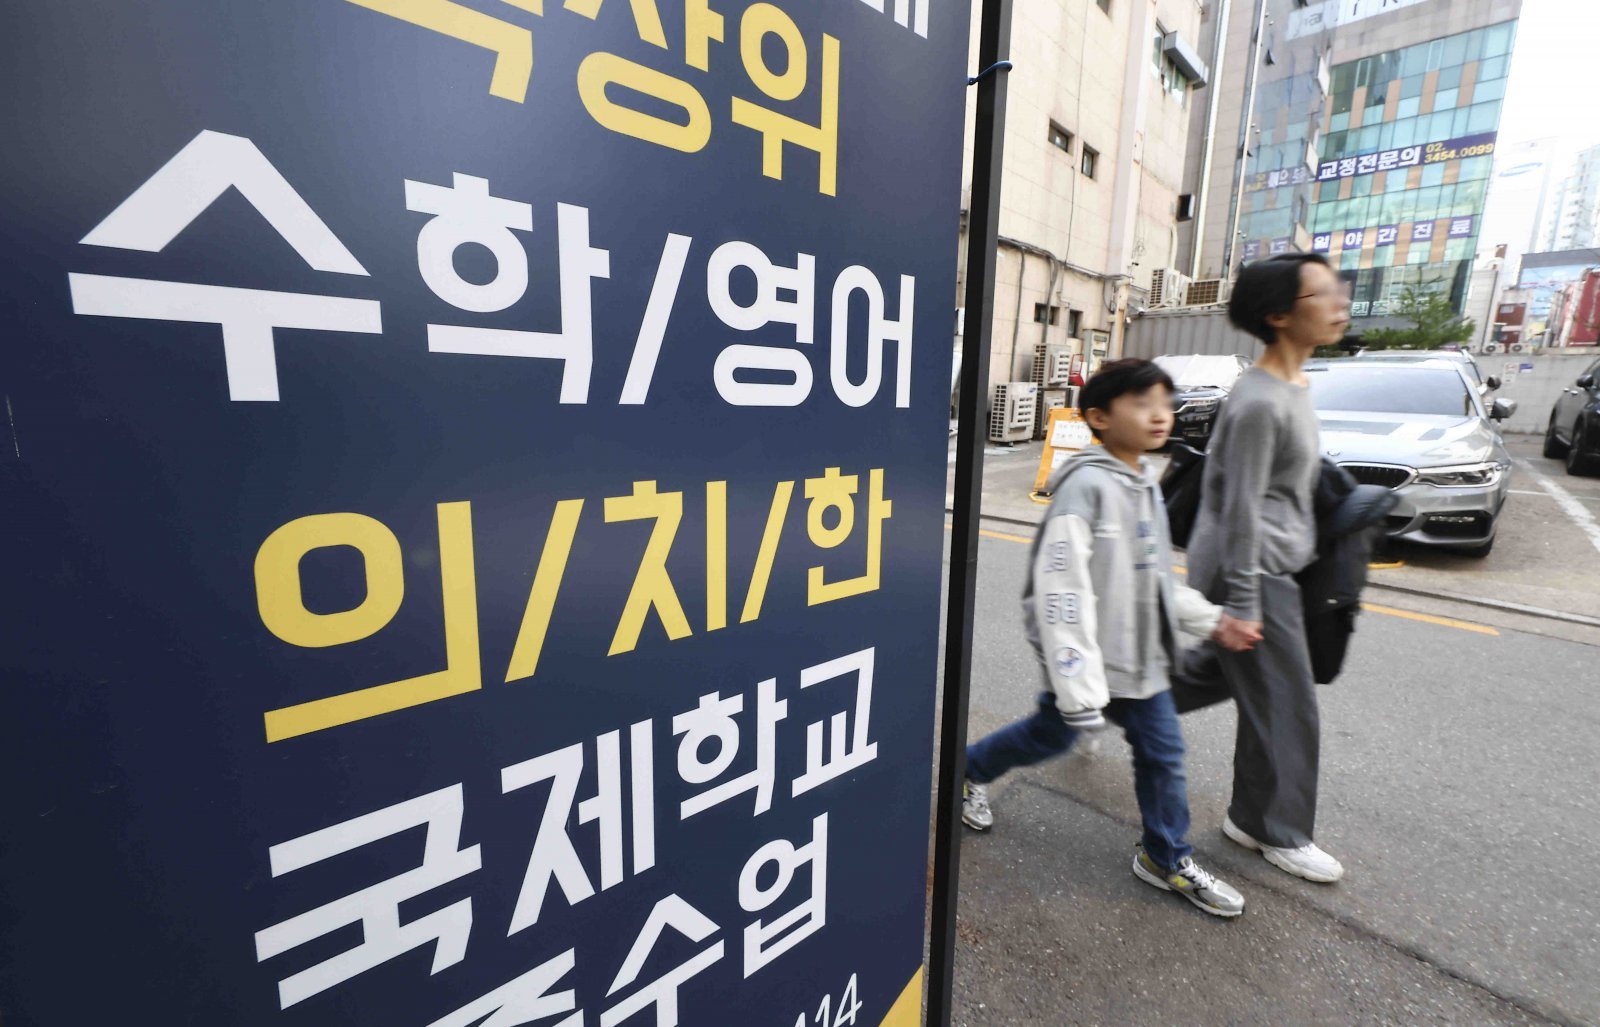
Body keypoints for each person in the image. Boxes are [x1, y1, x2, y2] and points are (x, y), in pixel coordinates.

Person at [961, 359, 1254, 918]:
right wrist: (1076, 685)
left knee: (1163, 756)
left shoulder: (1143, 484)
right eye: (1142, 403)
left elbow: (1154, 580)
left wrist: (1213, 620)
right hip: (1092, 666)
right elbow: (1059, 592)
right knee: (1049, 737)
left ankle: (1164, 858)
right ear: (1098, 417)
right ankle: (969, 769)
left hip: (1140, 665)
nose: (1160, 415)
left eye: (1165, 404)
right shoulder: (1086, 488)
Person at [1183, 252, 1351, 884]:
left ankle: (1086, 704)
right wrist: (1246, 600)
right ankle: (1279, 830)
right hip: (1252, 571)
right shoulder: (1258, 401)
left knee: (1215, 684)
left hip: (1272, 567)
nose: (1339, 301)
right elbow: (1241, 508)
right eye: (1322, 293)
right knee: (1287, 707)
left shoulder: (1293, 385)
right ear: (1279, 315)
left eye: (1338, 288)